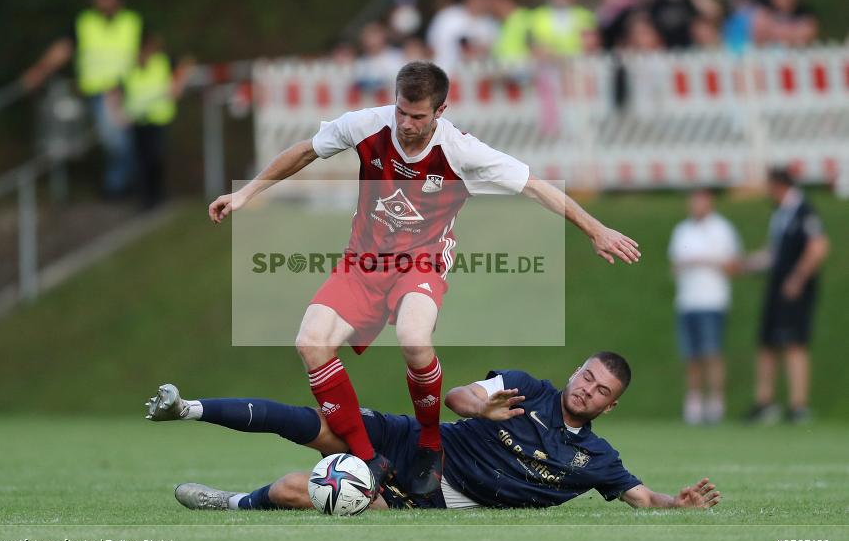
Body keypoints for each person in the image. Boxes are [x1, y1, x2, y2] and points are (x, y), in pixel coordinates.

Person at [207, 61, 642, 497]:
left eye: (418, 116)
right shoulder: (366, 125)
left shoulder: (461, 150)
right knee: (310, 343)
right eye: (401, 112)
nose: (406, 124)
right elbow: (305, 150)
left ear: (440, 111)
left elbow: (536, 186)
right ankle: (365, 457)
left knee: (415, 340)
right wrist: (245, 193)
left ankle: (430, 444)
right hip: (363, 262)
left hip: (423, 262)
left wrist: (596, 230)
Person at [144, 351, 721, 512]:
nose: (587, 389)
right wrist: (481, 407)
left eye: (601, 391)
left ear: (609, 407)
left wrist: (678, 502)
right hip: (422, 445)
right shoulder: (526, 388)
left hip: (435, 497)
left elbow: (640, 495)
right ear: (575, 371)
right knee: (311, 425)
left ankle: (235, 505)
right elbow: (460, 394)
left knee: (304, 489)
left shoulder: (594, 456)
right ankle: (189, 408)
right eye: (586, 376)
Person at [21, 0, 142, 197]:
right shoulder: (85, 22)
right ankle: (120, 186)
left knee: (120, 140)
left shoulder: (132, 21)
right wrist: (39, 71)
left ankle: (121, 185)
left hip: (127, 91)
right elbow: (63, 49)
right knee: (114, 139)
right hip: (98, 92)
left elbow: (148, 51)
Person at [744, 169, 828, 424]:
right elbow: (775, 253)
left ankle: (798, 404)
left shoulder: (804, 210)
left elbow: (818, 246)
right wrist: (748, 264)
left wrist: (798, 277)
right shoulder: (781, 213)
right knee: (767, 342)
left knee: (794, 343)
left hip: (795, 289)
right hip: (777, 287)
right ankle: (765, 402)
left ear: (779, 186)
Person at [668, 189, 741, 424]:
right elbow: (674, 266)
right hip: (688, 301)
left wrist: (706, 261)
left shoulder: (723, 229)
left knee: (712, 354)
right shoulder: (682, 230)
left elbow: (734, 265)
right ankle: (694, 405)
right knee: (692, 356)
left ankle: (716, 404)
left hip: (712, 300)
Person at [112, 35, 194, 209]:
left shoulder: (162, 62)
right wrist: (118, 113)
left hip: (158, 118)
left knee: (155, 158)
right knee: (140, 160)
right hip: (137, 120)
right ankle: (145, 198)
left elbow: (186, 64)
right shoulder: (128, 67)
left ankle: (158, 195)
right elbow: (115, 90)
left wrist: (177, 85)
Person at [529, 0, 597, 58]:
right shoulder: (538, 15)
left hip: (578, 61)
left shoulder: (584, 15)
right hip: (548, 63)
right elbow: (534, 44)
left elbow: (590, 43)